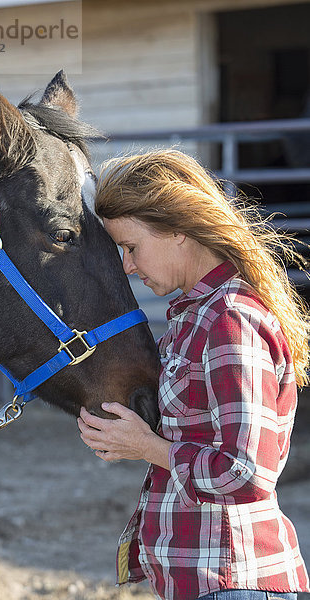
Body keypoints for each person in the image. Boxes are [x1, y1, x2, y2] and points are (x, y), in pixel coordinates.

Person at [77, 149, 310, 600]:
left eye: (131, 247)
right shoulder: (194, 317)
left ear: (177, 230)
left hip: (235, 580)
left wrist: (146, 446)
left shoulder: (228, 320)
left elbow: (246, 473)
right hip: (203, 580)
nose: (127, 266)